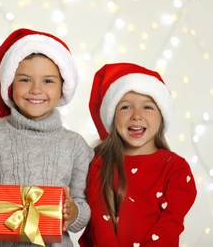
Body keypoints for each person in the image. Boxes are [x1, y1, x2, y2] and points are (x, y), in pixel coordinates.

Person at [0, 28, 94, 246]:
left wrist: (74, 212)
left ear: (63, 87)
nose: (36, 90)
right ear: (10, 85)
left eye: (48, 81)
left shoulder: (75, 146)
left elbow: (83, 204)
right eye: (25, 80)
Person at [79, 62, 197, 246]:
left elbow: (170, 224)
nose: (136, 115)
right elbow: (100, 223)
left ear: (162, 115)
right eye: (125, 107)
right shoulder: (98, 162)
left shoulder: (176, 169)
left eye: (148, 107)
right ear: (112, 117)